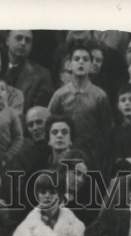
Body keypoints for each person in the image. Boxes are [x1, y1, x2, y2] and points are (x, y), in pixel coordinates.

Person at [47, 39, 113, 167]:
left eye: (85, 59)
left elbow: (106, 129)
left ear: (91, 65)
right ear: (69, 65)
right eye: (77, 59)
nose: (81, 62)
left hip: (91, 154)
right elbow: (50, 123)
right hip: (65, 153)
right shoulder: (60, 95)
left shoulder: (100, 96)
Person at [12, 172, 85, 236]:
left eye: (52, 192)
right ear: (38, 195)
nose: (47, 196)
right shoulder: (24, 229)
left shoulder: (77, 227)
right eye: (43, 192)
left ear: (60, 196)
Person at [3, 30, 54, 111]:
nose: (23, 43)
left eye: (28, 40)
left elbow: (38, 113)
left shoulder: (42, 76)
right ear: (7, 41)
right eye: (19, 38)